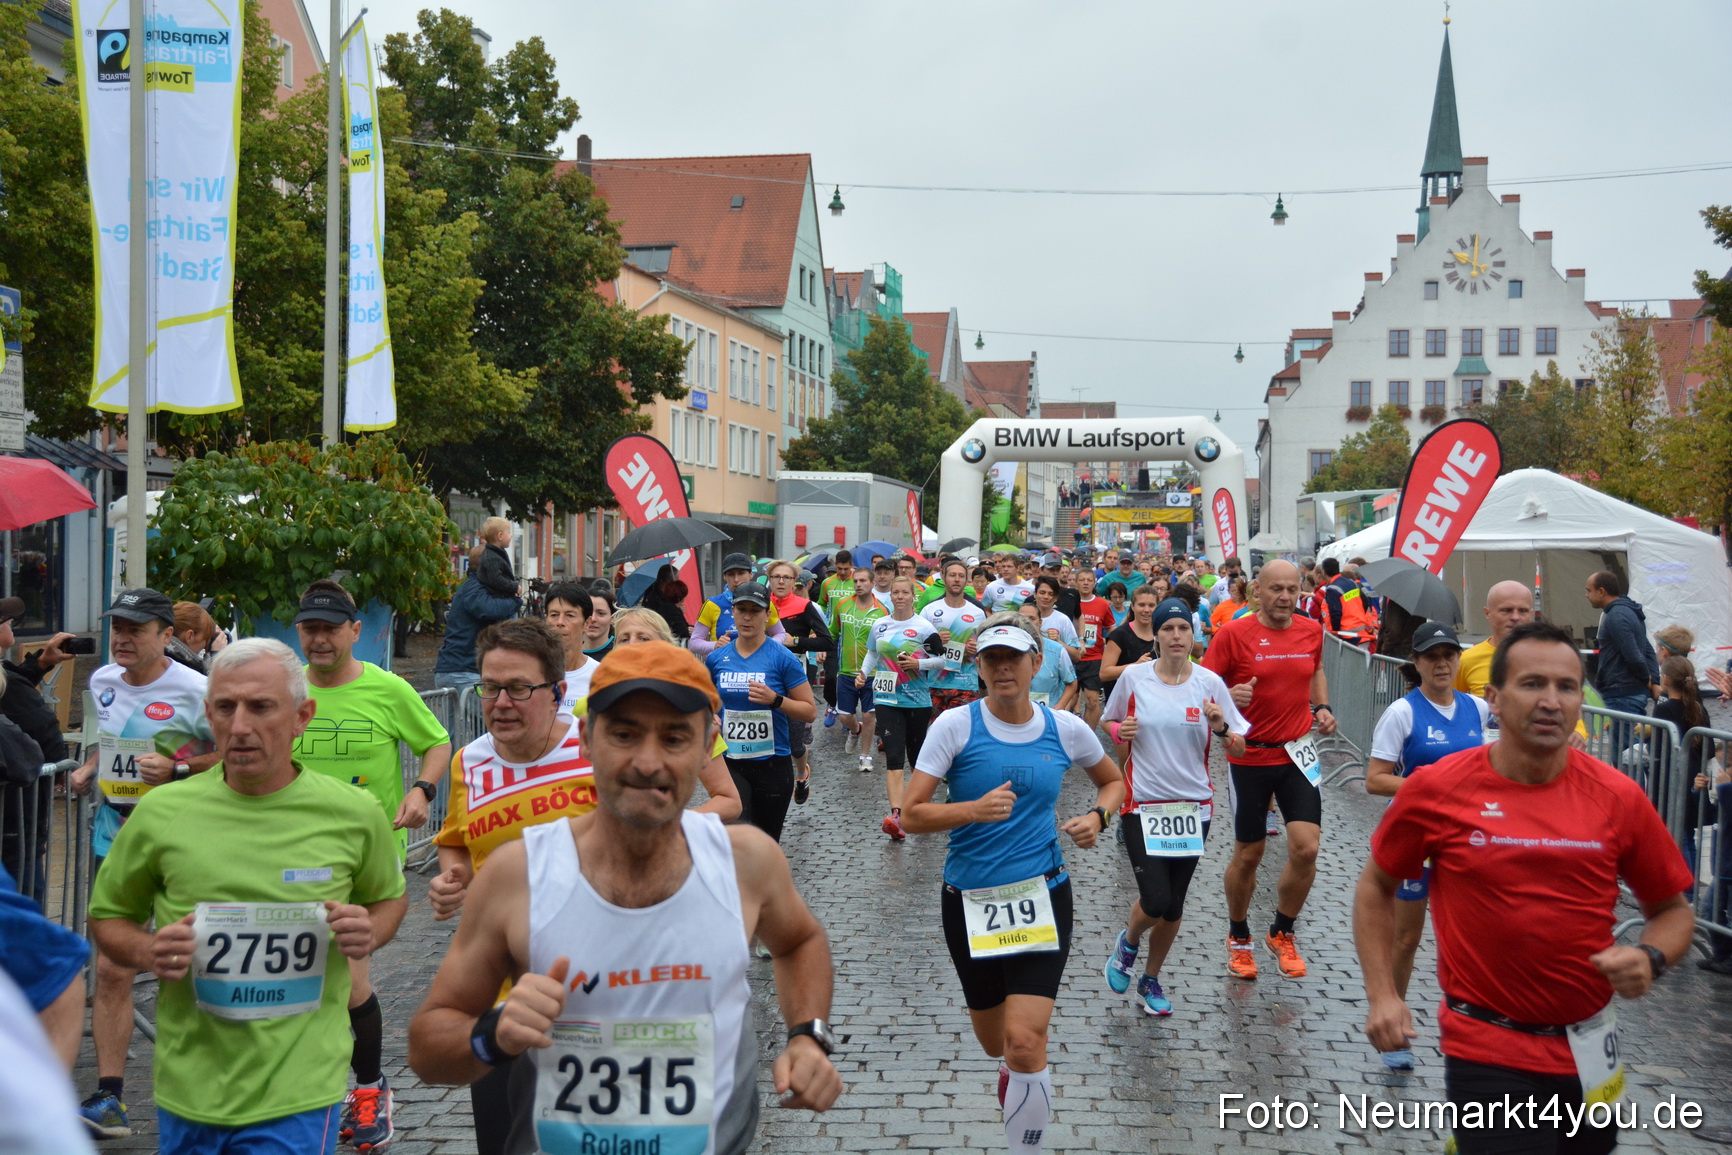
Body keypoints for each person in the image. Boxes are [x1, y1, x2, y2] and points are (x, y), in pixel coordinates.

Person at [407, 642, 842, 1153]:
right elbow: (428, 1046)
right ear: (586, 741)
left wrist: (808, 1036)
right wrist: (493, 1033)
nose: (647, 761)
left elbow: (799, 941)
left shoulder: (746, 862)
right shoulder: (519, 874)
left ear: (707, 749)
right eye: (624, 734)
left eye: (675, 737)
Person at [1354, 621, 1695, 1155]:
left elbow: (1672, 909)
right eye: (1533, 684)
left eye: (1567, 687)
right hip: (1486, 1040)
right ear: (1493, 698)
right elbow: (1376, 885)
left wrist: (1650, 957)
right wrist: (1383, 995)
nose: (1552, 701)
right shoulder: (1437, 789)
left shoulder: (1618, 796)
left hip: (1588, 1045)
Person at [88, 638, 407, 1155]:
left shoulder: (353, 812)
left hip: (300, 1089)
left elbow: (388, 899)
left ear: (302, 716)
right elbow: (109, 916)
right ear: (208, 714)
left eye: (261, 707)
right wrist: (148, 951)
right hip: (188, 1088)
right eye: (225, 708)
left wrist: (371, 930)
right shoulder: (162, 812)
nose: (240, 726)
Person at [901, 614, 1124, 1155]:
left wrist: (1097, 818)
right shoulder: (954, 727)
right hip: (969, 899)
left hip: (1042, 894)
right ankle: (1014, 1073)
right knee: (995, 1041)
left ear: (1035, 663)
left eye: (1014, 659)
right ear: (979, 666)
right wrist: (971, 811)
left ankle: (1025, 1144)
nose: (1003, 669)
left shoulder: (1065, 728)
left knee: (1027, 1041)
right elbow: (911, 814)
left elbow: (1114, 780)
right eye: (992, 659)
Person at [289, 580, 451, 1147]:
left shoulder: (386, 688)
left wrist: (423, 792)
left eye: (331, 629)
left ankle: (367, 1090)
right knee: (305, 974)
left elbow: (436, 742)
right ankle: (303, 1089)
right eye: (310, 628)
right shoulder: (286, 692)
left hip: (367, 854)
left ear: (355, 632)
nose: (320, 639)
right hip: (291, 853)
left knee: (351, 973)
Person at [429, 618, 599, 1153]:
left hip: (599, 999)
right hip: (503, 1000)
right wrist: (452, 878)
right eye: (490, 686)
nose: (501, 701)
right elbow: (455, 840)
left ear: (557, 692)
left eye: (519, 688)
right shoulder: (469, 762)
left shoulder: (594, 749)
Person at [69, 589, 219, 1139]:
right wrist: (89, 769)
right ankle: (110, 1097)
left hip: (183, 838)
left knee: (198, 959)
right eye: (117, 627)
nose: (122, 638)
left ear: (164, 635)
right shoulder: (103, 681)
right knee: (110, 966)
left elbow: (232, 752)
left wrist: (179, 772)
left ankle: (213, 1077)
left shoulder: (198, 689)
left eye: (136, 628)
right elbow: (106, 742)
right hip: (118, 836)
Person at [1101, 599, 1249, 1017]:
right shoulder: (1134, 678)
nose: (1177, 636)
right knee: (1156, 898)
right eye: (1169, 629)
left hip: (1193, 809)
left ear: (1195, 634)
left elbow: (1238, 742)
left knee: (1175, 905)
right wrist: (1119, 729)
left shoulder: (1209, 682)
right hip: (1142, 805)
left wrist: (1221, 726)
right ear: (1158, 635)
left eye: (1184, 628)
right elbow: (1106, 722)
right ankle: (1128, 943)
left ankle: (1150, 978)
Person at [1362, 621, 1490, 1071]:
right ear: (1415, 664)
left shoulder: (1477, 708)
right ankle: (1392, 1026)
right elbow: (1375, 779)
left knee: (1474, 935)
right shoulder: (1402, 712)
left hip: (1467, 840)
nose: (1442, 663)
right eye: (1432, 656)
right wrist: (1428, 786)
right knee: (1407, 938)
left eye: (1449, 655)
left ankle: (1482, 1029)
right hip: (1418, 837)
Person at [1201, 560, 1335, 981]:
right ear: (1257, 590)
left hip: (1297, 753)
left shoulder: (1311, 630)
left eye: (1292, 590)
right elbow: (1203, 687)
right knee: (1250, 854)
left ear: (1301, 591)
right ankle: (1239, 935)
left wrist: (1323, 706)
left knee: (1307, 848)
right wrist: (1228, 697)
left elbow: (1315, 669)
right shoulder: (1233, 634)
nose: (1284, 597)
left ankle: (1282, 930)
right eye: (1276, 589)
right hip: (1249, 755)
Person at [703, 580, 817, 847]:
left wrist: (775, 700)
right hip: (730, 762)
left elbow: (809, 711)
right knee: (739, 840)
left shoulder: (782, 657)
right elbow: (704, 701)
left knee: (765, 846)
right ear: (732, 612)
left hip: (773, 764)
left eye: (755, 611)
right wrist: (709, 716)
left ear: (767, 615)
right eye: (741, 609)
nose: (747, 617)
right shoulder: (717, 659)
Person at [604, 608, 743, 821]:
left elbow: (730, 801)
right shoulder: (593, 707)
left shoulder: (691, 714)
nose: (633, 645)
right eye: (624, 638)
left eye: (643, 638)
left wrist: (671, 822)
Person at [859, 576, 946, 840]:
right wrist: (863, 674)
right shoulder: (880, 625)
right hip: (887, 699)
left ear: (912, 596)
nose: (899, 597)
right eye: (895, 593)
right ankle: (896, 816)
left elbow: (941, 661)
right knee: (894, 755)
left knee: (917, 758)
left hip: (917, 700)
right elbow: (873, 653)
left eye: (904, 593)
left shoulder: (924, 627)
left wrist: (918, 665)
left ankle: (920, 808)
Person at [766, 561, 835, 803]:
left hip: (794, 679)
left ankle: (801, 773)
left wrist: (795, 642)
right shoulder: (762, 605)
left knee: (795, 744)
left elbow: (827, 642)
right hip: (764, 677)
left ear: (795, 581)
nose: (781, 581)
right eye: (776, 577)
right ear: (770, 580)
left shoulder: (804, 606)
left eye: (786, 577)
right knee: (770, 739)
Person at [436, 553, 521, 696]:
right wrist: (516, 600)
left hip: (459, 670)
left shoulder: (476, 588)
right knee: (488, 717)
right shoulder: (475, 588)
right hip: (464, 672)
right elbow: (489, 610)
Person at [1585, 570, 1660, 719]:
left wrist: (1648, 681)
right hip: (1629, 693)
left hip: (1622, 694)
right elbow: (1648, 650)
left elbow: (1635, 657)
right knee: (1631, 741)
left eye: (1589, 590)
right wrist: (1654, 681)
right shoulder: (1630, 611)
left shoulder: (1616, 616)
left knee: (1625, 742)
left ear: (1601, 591)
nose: (1586, 595)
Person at [832, 568, 888, 771]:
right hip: (846, 671)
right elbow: (833, 631)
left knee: (869, 714)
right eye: (855, 581)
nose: (858, 584)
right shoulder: (843, 605)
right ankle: (855, 731)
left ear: (872, 583)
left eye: (863, 580)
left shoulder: (882, 610)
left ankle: (865, 756)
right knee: (845, 716)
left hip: (872, 673)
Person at [922, 558, 990, 716]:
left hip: (966, 683)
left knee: (963, 732)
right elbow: (917, 646)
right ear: (943, 579)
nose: (957, 579)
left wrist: (977, 648)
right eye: (952, 575)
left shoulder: (977, 612)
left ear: (967, 580)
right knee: (936, 731)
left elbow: (986, 643)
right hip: (935, 683)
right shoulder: (930, 610)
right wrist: (934, 641)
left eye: (961, 576)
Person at [691, 554, 784, 656]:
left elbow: (780, 633)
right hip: (724, 665)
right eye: (731, 574)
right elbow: (694, 643)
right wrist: (715, 645)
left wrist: (769, 645)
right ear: (724, 577)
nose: (736, 579)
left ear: (750, 574)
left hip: (758, 664)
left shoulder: (763, 602)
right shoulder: (712, 604)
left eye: (741, 573)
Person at [1456, 581, 1535, 698]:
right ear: (1487, 613)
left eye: (1523, 611)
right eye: (1507, 610)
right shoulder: (1466, 660)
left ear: (1531, 614)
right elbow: (1451, 707)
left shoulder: (1548, 657)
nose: (1515, 617)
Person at [537, 581, 598, 718]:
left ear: (587, 623)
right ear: (545, 620)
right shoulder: (532, 673)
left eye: (569, 615)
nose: (560, 622)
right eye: (554, 615)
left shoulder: (600, 676)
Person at [1101, 585, 1161, 704]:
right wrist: (1135, 666)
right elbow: (1104, 673)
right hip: (1124, 702)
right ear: (1132, 606)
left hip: (1154, 701)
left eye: (1151, 605)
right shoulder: (1120, 635)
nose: (1147, 610)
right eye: (1141, 605)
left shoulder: (1162, 634)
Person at [816, 551, 857, 717]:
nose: (841, 572)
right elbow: (821, 605)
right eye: (839, 568)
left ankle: (848, 711)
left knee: (849, 677)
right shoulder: (827, 583)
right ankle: (832, 704)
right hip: (831, 635)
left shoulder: (857, 582)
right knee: (831, 676)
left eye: (846, 569)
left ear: (851, 566)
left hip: (852, 635)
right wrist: (819, 628)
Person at [1016, 603, 1077, 712]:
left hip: (1048, 714)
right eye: (1022, 618)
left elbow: (1072, 683)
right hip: (1016, 714)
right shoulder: (1007, 649)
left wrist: (1059, 707)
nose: (1027, 622)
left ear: (1040, 623)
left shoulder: (1057, 650)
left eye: (1032, 618)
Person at [1319, 557, 1377, 647]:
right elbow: (1365, 601)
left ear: (1323, 571)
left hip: (1347, 636)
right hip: (1362, 633)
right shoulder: (1351, 582)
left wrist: (1336, 633)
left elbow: (1336, 613)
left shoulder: (1333, 588)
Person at [1029, 576, 1082, 664]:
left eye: (1051, 594)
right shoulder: (1024, 617)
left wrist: (1058, 641)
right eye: (1042, 593)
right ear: (1035, 594)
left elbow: (1077, 656)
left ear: (1056, 598)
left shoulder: (1063, 620)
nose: (1046, 597)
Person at [638, 564, 691, 643]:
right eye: (677, 580)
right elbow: (680, 631)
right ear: (671, 581)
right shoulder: (661, 603)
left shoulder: (653, 594)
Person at [475, 517, 520, 600]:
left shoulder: (497, 553)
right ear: (500, 536)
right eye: (509, 532)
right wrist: (515, 587)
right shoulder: (492, 557)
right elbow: (497, 580)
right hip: (497, 598)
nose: (511, 535)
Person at [582, 587, 617, 663]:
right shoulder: (567, 651)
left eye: (601, 613)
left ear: (612, 618)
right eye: (589, 612)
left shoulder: (619, 651)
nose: (593, 619)